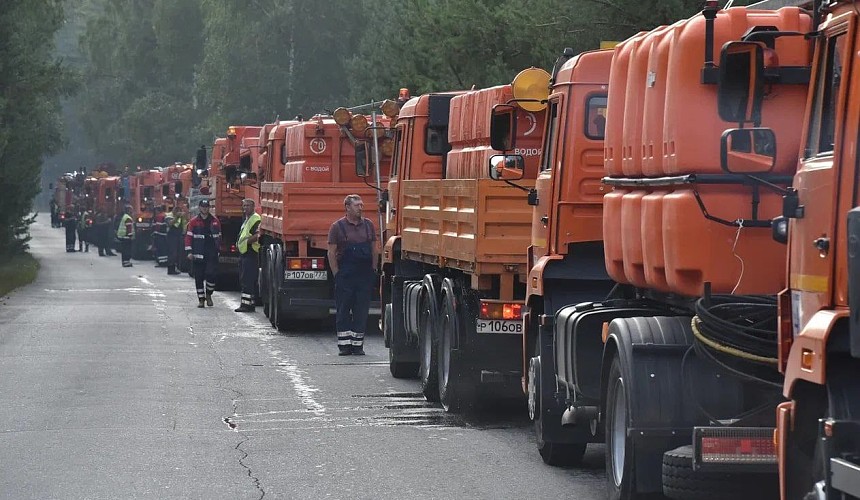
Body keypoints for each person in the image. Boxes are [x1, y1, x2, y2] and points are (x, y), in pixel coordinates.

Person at [327, 194, 377, 356]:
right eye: (357, 205)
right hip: (346, 274)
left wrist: (374, 269)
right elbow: (331, 252)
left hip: (364, 274)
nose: (360, 208)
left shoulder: (369, 225)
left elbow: (374, 249)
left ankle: (357, 345)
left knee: (361, 310)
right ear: (347, 207)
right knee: (343, 310)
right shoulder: (337, 227)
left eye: (362, 205)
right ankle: (344, 345)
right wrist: (337, 274)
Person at [185, 199, 221, 308]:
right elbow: (188, 237)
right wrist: (189, 251)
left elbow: (219, 237)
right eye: (203, 206)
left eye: (206, 206)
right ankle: (201, 299)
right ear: (199, 208)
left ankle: (209, 294)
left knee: (211, 275)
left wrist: (218, 250)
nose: (205, 208)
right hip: (198, 254)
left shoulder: (215, 221)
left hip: (211, 254)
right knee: (199, 278)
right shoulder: (193, 222)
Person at [235, 198, 261, 312]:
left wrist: (246, 242)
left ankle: (246, 305)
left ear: (253, 206)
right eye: (244, 206)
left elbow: (258, 235)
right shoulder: (247, 219)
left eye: (248, 206)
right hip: (244, 253)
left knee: (247, 280)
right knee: (245, 279)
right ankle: (249, 303)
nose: (245, 208)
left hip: (251, 253)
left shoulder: (255, 219)